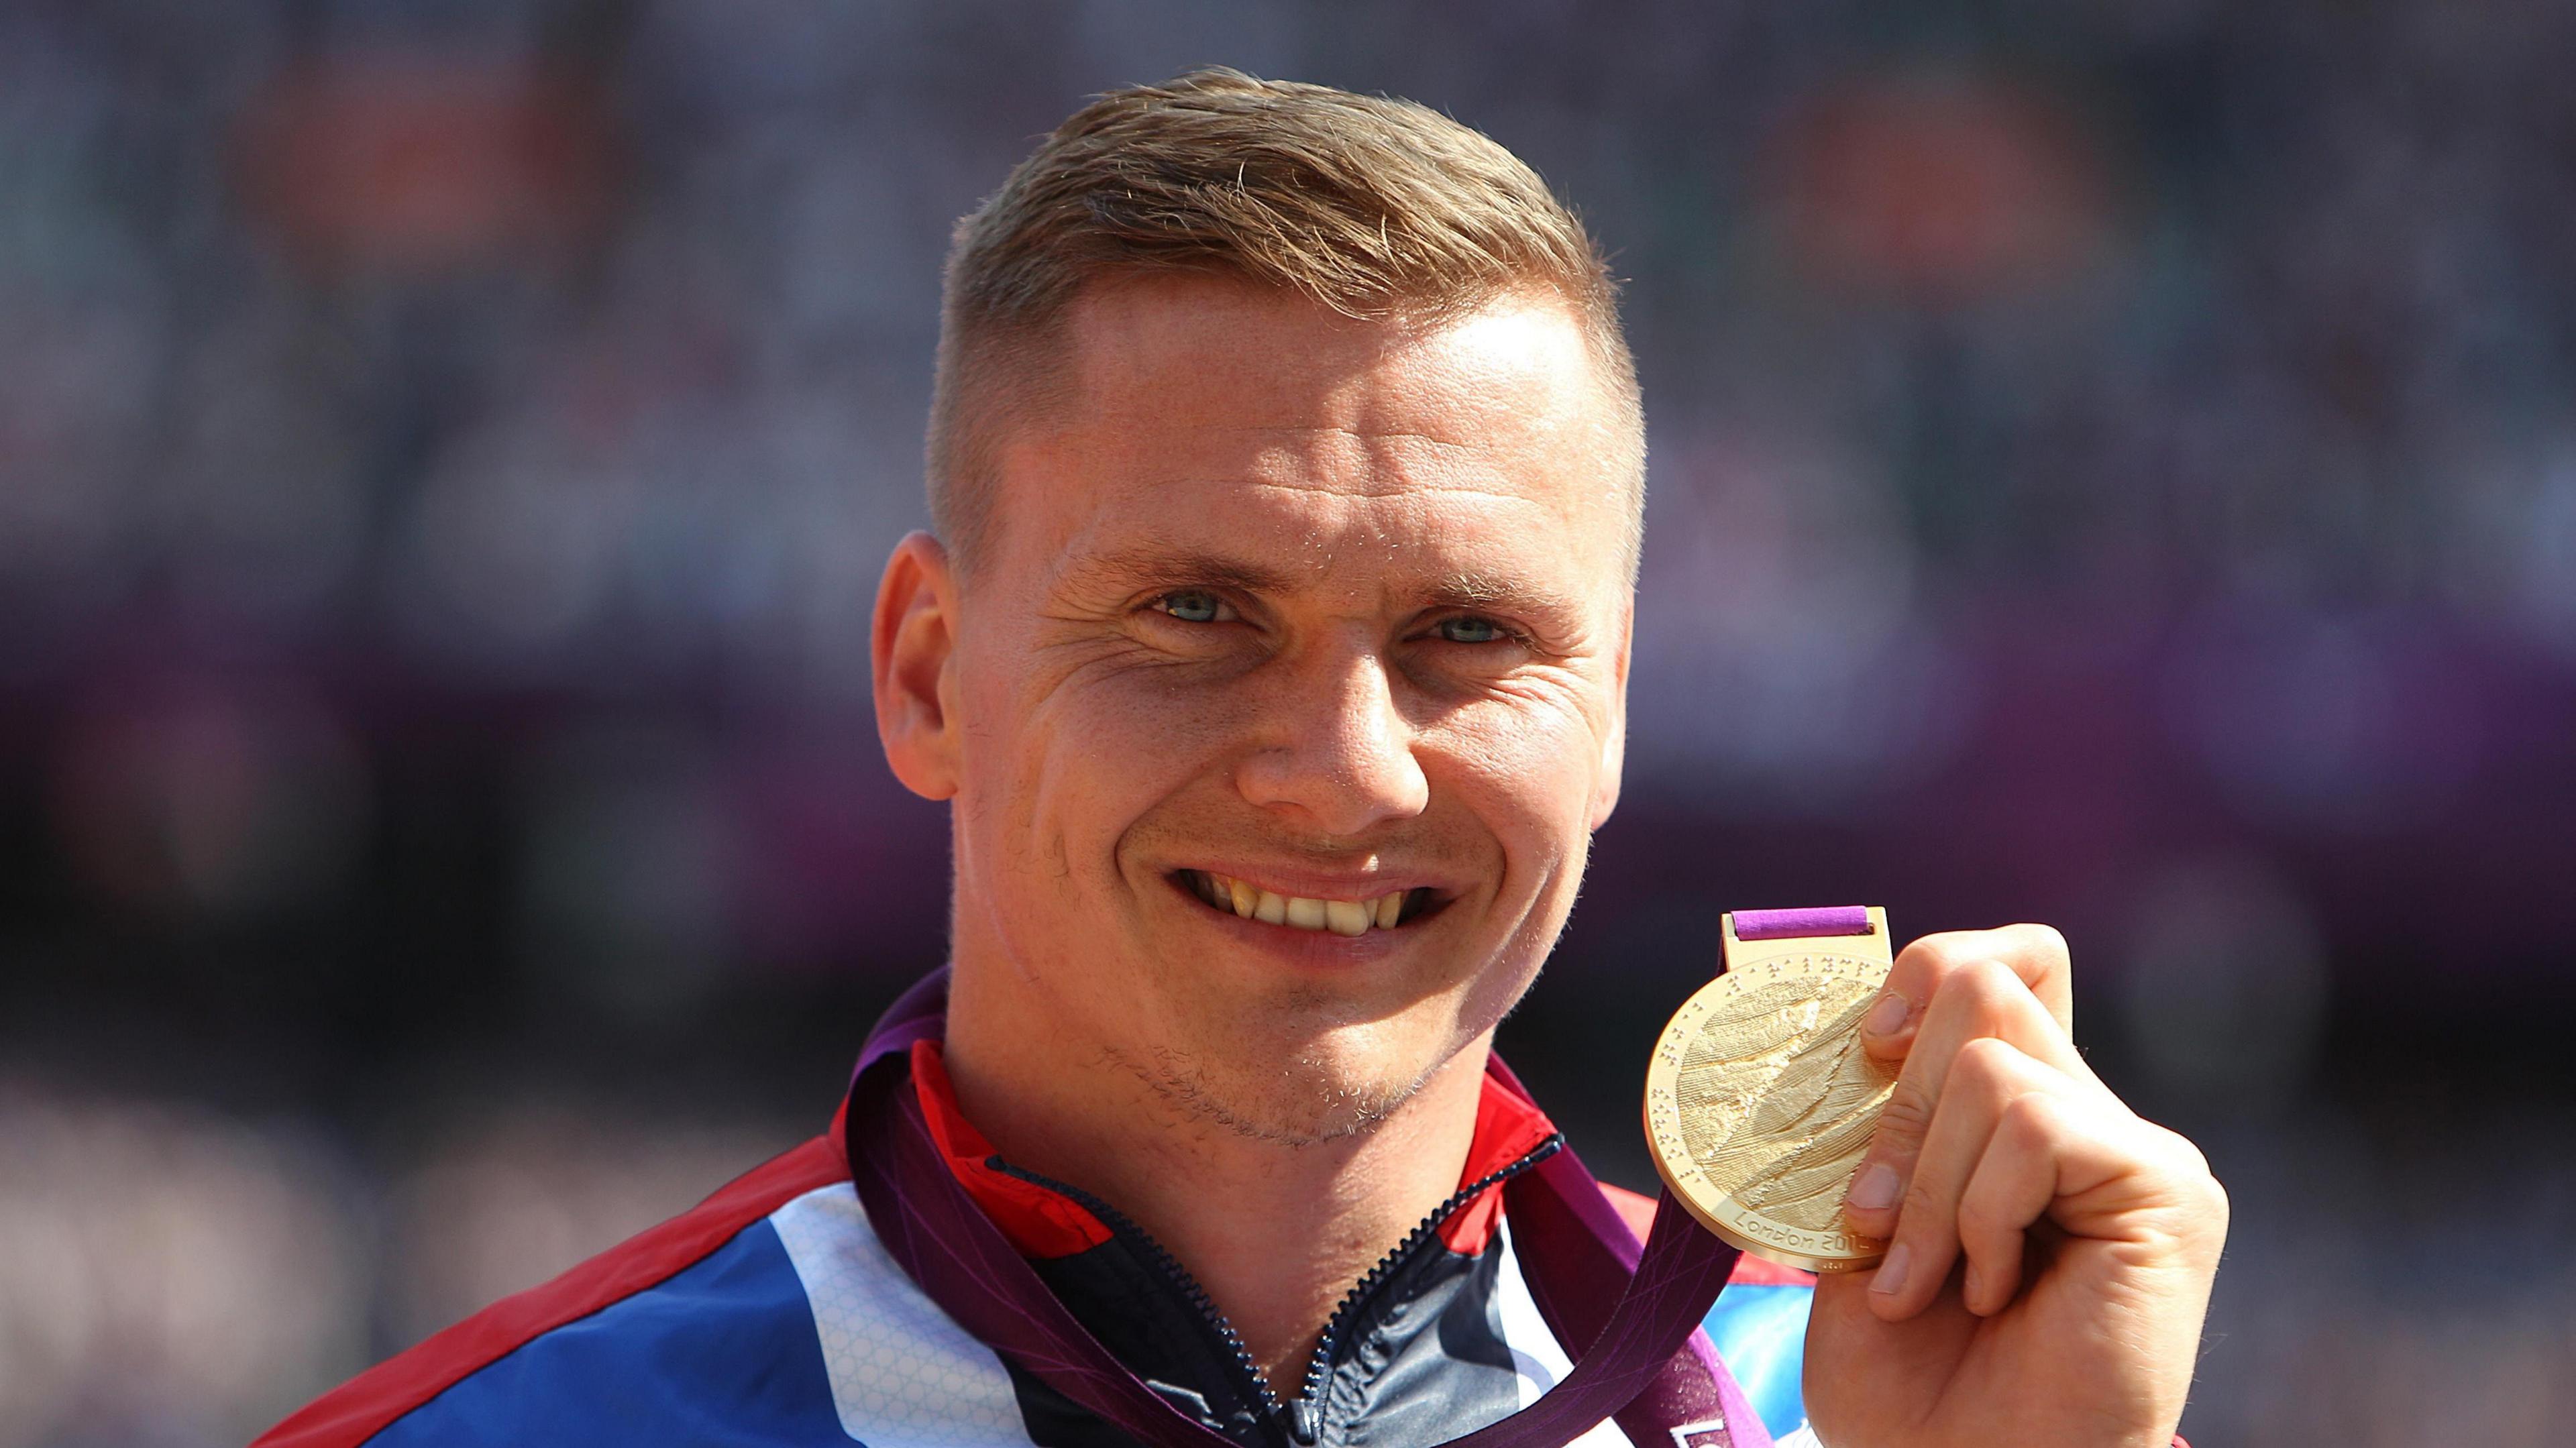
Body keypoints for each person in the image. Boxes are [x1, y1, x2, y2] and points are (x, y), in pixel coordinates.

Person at [256, 69, 2225, 1448]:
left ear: (1614, 704)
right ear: (930, 675)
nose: (1348, 769)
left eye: (1470, 636)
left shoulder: (1882, 1417)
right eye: (1199, 615)